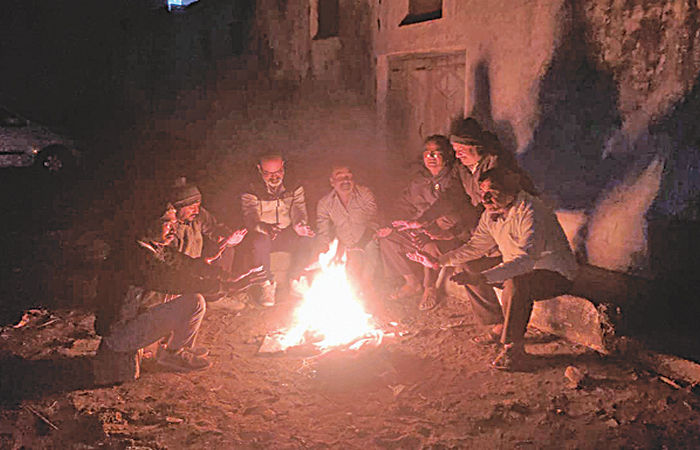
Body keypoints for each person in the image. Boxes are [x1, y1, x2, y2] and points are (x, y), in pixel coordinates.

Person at [407, 167, 577, 370]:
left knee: (516, 282)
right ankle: (499, 324)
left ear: (511, 190)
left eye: (492, 192)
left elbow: (525, 261)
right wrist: (438, 262)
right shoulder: (491, 213)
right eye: (482, 192)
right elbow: (475, 247)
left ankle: (513, 350)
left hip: (553, 274)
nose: (485, 198)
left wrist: (484, 277)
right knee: (469, 267)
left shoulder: (531, 212)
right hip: (516, 266)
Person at [93, 205, 266, 385]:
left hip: (132, 320)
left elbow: (187, 265)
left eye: (174, 224)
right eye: (167, 224)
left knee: (187, 296)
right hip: (120, 334)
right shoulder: (135, 259)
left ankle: (173, 348)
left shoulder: (149, 247)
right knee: (193, 302)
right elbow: (177, 281)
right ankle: (172, 354)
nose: (174, 230)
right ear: (148, 224)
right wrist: (226, 287)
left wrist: (228, 277)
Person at [378, 135, 477, 310]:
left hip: (450, 235)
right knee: (388, 239)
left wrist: (424, 225)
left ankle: (429, 288)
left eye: (436, 152)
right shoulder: (419, 180)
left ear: (447, 154)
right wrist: (390, 224)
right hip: (420, 231)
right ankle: (412, 283)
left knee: (430, 246)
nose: (430, 157)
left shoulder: (455, 178)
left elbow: (451, 206)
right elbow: (403, 204)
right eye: (427, 152)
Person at [240, 153, 315, 306]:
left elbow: (299, 209)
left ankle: (296, 279)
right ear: (259, 169)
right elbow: (251, 218)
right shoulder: (251, 190)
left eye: (278, 172)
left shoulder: (294, 186)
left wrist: (300, 225)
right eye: (268, 173)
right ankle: (267, 285)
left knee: (307, 237)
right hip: (265, 234)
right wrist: (265, 228)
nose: (274, 177)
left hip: (287, 232)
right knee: (259, 241)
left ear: (283, 167)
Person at [316, 164, 379, 290]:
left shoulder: (364, 194)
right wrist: (323, 253)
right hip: (344, 243)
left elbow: (374, 221)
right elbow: (323, 231)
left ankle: (367, 284)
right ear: (332, 182)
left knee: (370, 251)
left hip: (367, 239)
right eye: (340, 177)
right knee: (347, 279)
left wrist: (359, 246)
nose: (345, 181)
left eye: (348, 177)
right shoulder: (325, 203)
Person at [449, 117, 536, 208]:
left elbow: (500, 201)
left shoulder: (497, 164)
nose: (457, 155)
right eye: (455, 150)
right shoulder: (461, 168)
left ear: (477, 147)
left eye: (461, 150)